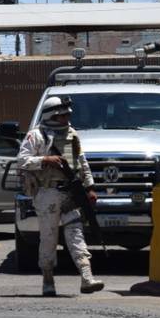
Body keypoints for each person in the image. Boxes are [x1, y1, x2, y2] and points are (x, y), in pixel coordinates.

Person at [17, 96, 105, 296]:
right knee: (49, 238)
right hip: (47, 193)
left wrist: (90, 186)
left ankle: (87, 277)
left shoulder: (72, 135)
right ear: (52, 116)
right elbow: (22, 161)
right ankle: (48, 279)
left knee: (75, 234)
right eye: (61, 116)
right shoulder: (36, 136)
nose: (65, 119)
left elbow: (82, 161)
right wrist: (45, 159)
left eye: (67, 115)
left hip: (70, 193)